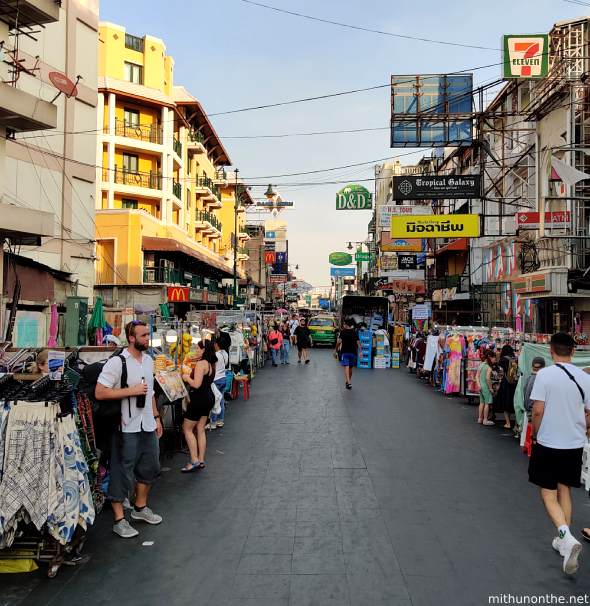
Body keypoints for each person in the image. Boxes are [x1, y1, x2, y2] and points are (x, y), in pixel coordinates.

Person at [528, 332, 590, 575]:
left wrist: (534, 433)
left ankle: (566, 537)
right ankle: (564, 541)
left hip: (548, 442)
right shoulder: (585, 378)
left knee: (548, 494)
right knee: (564, 490)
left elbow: (538, 411)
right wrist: (582, 428)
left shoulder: (544, 375)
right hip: (573, 444)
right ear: (573, 351)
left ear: (551, 351)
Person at [96, 320, 163, 539]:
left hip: (147, 424)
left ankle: (140, 508)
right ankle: (118, 520)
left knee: (150, 467)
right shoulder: (117, 363)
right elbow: (100, 392)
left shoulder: (149, 361)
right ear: (131, 338)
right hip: (126, 426)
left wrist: (156, 418)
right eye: (143, 335)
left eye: (147, 335)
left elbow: (151, 392)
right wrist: (130, 391)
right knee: (122, 472)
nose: (147, 339)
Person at [181, 340, 217, 472]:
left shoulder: (202, 364)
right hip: (208, 397)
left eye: (197, 348)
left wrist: (186, 378)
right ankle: (201, 459)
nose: (195, 350)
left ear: (203, 350)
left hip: (199, 398)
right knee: (200, 429)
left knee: (187, 428)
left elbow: (196, 384)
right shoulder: (210, 363)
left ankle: (194, 460)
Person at [333, 317, 362, 389]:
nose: (343, 325)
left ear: (346, 325)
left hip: (345, 352)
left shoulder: (343, 332)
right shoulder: (355, 333)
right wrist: (361, 351)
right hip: (353, 352)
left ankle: (348, 382)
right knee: (351, 367)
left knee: (346, 366)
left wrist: (336, 349)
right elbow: (358, 343)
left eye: (344, 324)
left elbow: (339, 342)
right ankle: (348, 381)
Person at [494, 344, 517, 429]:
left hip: (506, 382)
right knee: (513, 401)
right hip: (515, 382)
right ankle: (517, 422)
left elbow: (503, 372)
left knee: (505, 401)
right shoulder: (515, 358)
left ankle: (508, 423)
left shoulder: (503, 359)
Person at [209, 337, 229, 430]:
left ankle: (213, 422)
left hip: (216, 379)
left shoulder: (216, 355)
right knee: (220, 400)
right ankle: (220, 420)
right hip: (223, 378)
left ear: (217, 344)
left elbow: (211, 365)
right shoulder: (226, 354)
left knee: (214, 401)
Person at [476, 350, 496, 426]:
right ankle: (485, 419)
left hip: (481, 386)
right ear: (490, 358)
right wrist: (490, 388)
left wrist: (478, 385)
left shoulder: (481, 365)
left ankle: (480, 418)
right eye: (493, 358)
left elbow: (477, 375)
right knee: (487, 403)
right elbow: (488, 378)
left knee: (481, 403)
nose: (494, 360)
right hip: (486, 387)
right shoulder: (489, 367)